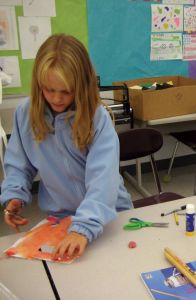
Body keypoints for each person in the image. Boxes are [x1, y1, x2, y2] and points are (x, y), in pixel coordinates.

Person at [0, 33, 133, 260]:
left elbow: (103, 180)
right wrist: (15, 193)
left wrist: (84, 227)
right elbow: (19, 164)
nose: (56, 98)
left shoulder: (96, 118)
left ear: (81, 86)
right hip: (61, 217)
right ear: (39, 83)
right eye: (49, 89)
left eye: (66, 91)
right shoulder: (26, 113)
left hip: (107, 214)